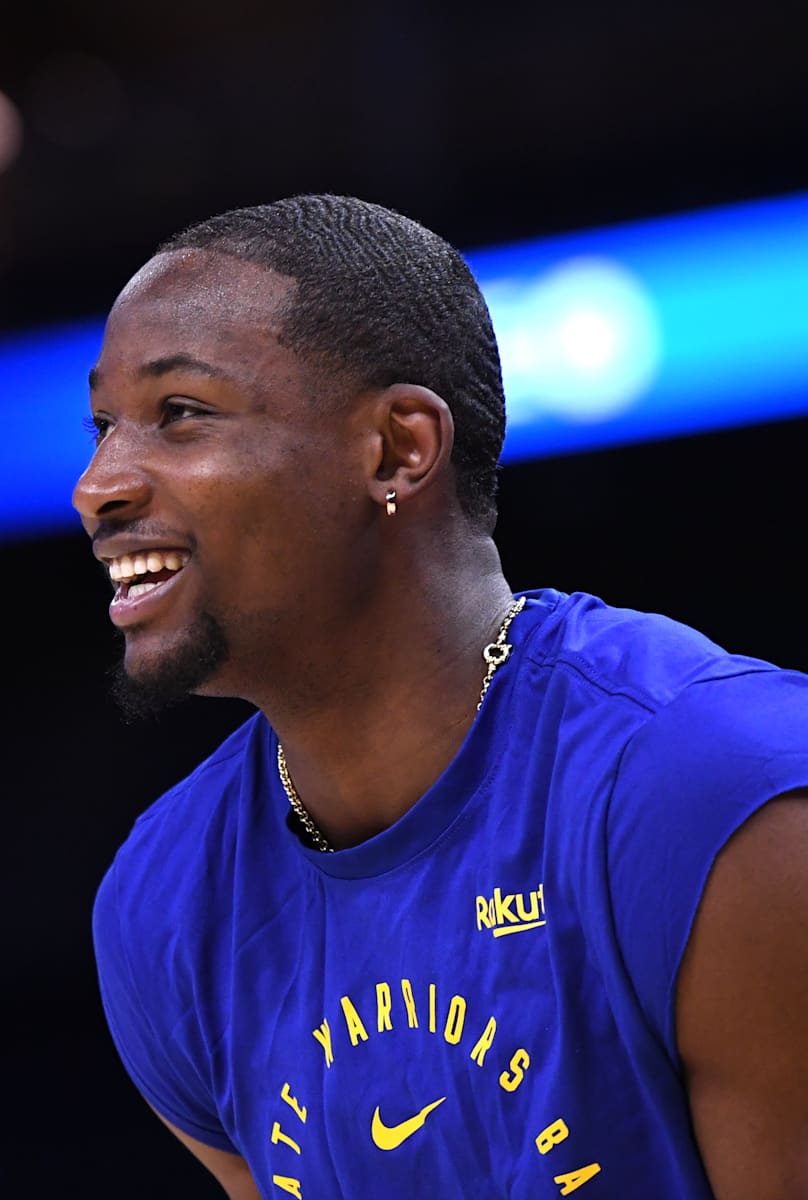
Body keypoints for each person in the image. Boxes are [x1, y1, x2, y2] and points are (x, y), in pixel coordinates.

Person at [76, 195, 808, 1199]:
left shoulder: (717, 794)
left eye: (181, 414)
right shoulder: (162, 907)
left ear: (397, 450)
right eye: (105, 425)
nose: (99, 484)